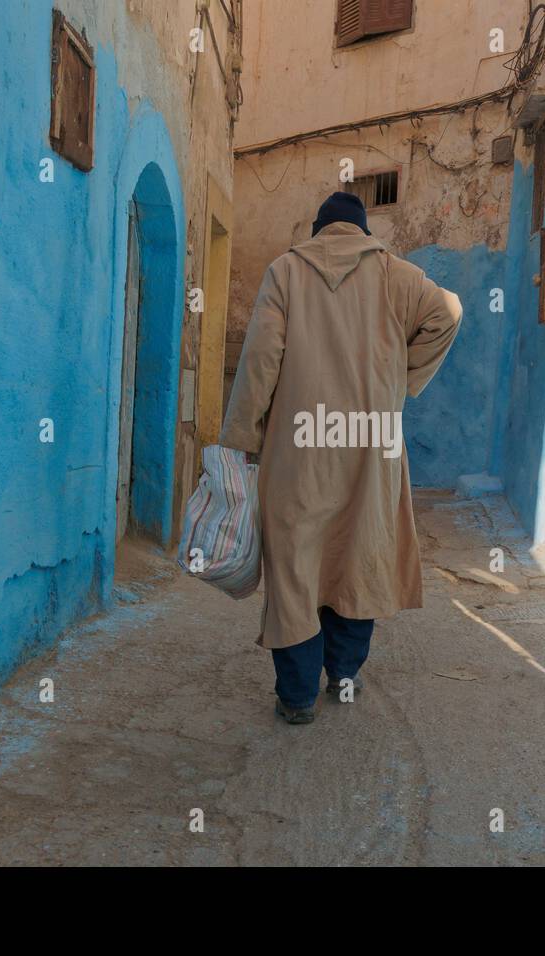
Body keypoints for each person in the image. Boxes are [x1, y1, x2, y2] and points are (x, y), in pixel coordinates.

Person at [219, 191, 462, 724]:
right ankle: (344, 675)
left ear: (317, 229)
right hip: (371, 444)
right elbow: (449, 313)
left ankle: (297, 696)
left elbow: (260, 359)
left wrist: (242, 435)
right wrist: (402, 378)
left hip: (298, 446)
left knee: (296, 563)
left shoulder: (286, 272)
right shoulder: (399, 276)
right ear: (362, 230)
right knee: (358, 554)